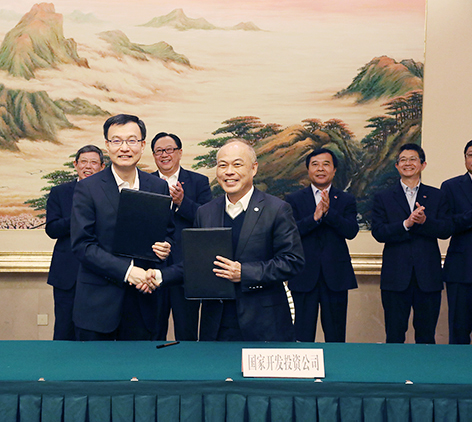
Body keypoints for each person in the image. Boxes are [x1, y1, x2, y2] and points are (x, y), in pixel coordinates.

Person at [181, 139, 304, 341]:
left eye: (237, 164)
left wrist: (244, 273)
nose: (229, 172)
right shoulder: (205, 212)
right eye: (222, 165)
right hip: (216, 325)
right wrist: (158, 275)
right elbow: (196, 263)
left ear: (253, 168)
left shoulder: (277, 209)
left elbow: (292, 261)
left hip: (264, 324)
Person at [71, 114, 172, 341]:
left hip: (144, 300)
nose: (124, 148)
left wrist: (166, 246)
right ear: (107, 145)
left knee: (140, 363)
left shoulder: (158, 186)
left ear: (142, 145)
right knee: (95, 364)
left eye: (132, 140)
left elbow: (168, 232)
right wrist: (128, 272)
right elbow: (82, 245)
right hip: (98, 304)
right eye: (117, 141)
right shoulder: (88, 188)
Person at [371, 143, 451, 344]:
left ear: (423, 165)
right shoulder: (383, 197)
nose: (408, 163)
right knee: (394, 335)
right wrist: (405, 224)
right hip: (395, 276)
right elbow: (378, 232)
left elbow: (446, 230)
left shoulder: (437, 195)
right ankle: (395, 367)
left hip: (428, 276)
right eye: (403, 160)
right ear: (397, 166)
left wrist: (425, 222)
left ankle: (425, 367)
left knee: (426, 336)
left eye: (413, 159)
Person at [285, 148, 358, 342]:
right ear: (308, 170)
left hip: (336, 276)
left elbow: (351, 231)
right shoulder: (294, 199)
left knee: (336, 336)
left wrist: (329, 213)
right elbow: (290, 233)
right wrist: (314, 218)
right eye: (315, 164)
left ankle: (336, 362)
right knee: (301, 335)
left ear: (334, 170)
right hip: (304, 275)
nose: (320, 169)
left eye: (326, 164)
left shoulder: (346, 199)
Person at [150, 132, 212, 341]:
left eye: (169, 150)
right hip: (153, 267)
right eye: (159, 151)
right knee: (152, 328)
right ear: (154, 155)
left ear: (179, 152)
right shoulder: (145, 182)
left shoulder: (199, 182)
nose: (164, 155)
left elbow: (207, 219)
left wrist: (182, 203)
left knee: (187, 329)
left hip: (186, 267)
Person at [46, 145, 105, 340]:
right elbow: (52, 229)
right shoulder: (60, 192)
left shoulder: (110, 193)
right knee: (64, 330)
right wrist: (79, 217)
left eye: (94, 162)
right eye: (84, 162)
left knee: (95, 333)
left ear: (102, 167)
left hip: (100, 273)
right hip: (66, 274)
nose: (88, 166)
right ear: (75, 164)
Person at [441, 137, 472, 347]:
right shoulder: (451, 187)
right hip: (461, 268)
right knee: (459, 329)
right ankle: (458, 368)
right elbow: (445, 225)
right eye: (471, 155)